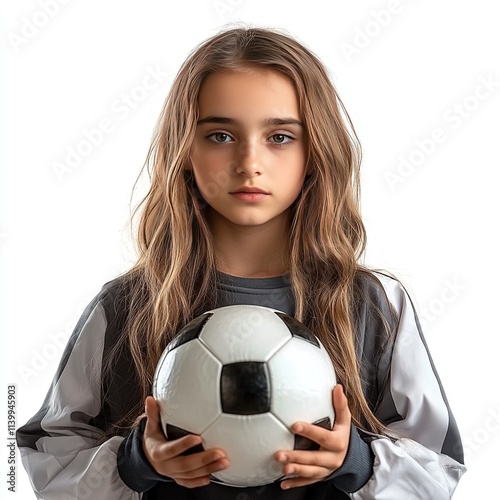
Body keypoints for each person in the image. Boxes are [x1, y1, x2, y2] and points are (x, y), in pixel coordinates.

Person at [17, 27, 466, 499]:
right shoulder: (127, 305)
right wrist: (137, 462)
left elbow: (438, 467)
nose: (249, 161)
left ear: (315, 151)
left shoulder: (373, 304)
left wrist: (354, 460)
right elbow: (48, 454)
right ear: (185, 150)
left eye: (280, 136)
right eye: (221, 134)